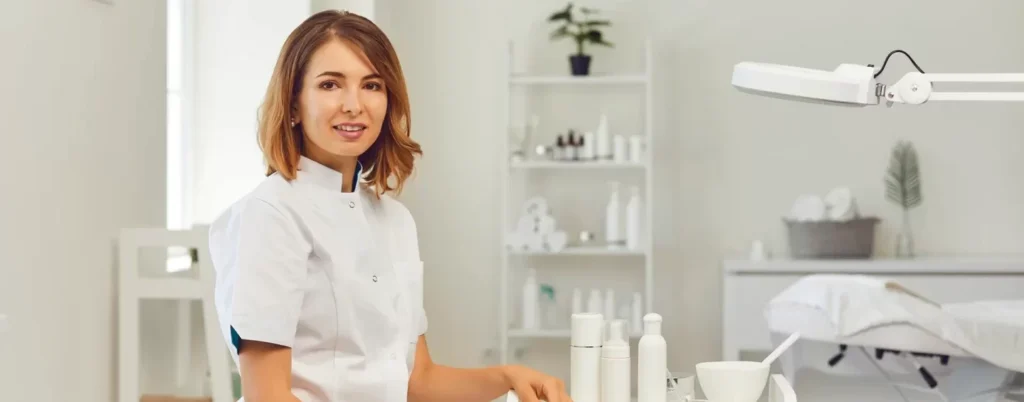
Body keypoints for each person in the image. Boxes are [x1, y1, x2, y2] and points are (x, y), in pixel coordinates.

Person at [206, 9, 571, 402]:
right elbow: (268, 396)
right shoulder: (270, 214)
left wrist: (507, 376)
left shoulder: (395, 220)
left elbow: (418, 381)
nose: (353, 105)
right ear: (293, 105)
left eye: (372, 85)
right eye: (330, 84)